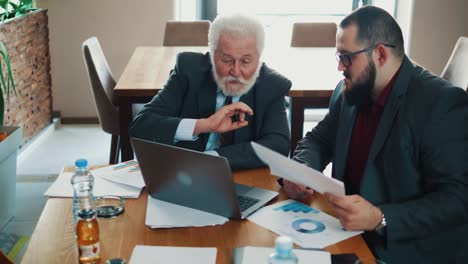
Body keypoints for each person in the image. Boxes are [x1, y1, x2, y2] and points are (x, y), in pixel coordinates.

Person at [282, 6, 468, 263]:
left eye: (346, 57)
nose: (339, 67)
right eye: (338, 56)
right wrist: (302, 171)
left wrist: (380, 217)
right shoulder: (349, 90)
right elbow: (319, 139)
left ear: (380, 54)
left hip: (401, 248)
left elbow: (457, 199)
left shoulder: (440, 103)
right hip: (345, 233)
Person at [129, 14, 291, 170]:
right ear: (212, 55)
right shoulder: (188, 70)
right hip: (183, 175)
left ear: (259, 58)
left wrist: (213, 159)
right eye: (227, 60)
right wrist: (203, 125)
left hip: (240, 177)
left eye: (245, 61)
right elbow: (140, 126)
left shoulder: (273, 85)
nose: (235, 71)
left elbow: (278, 145)